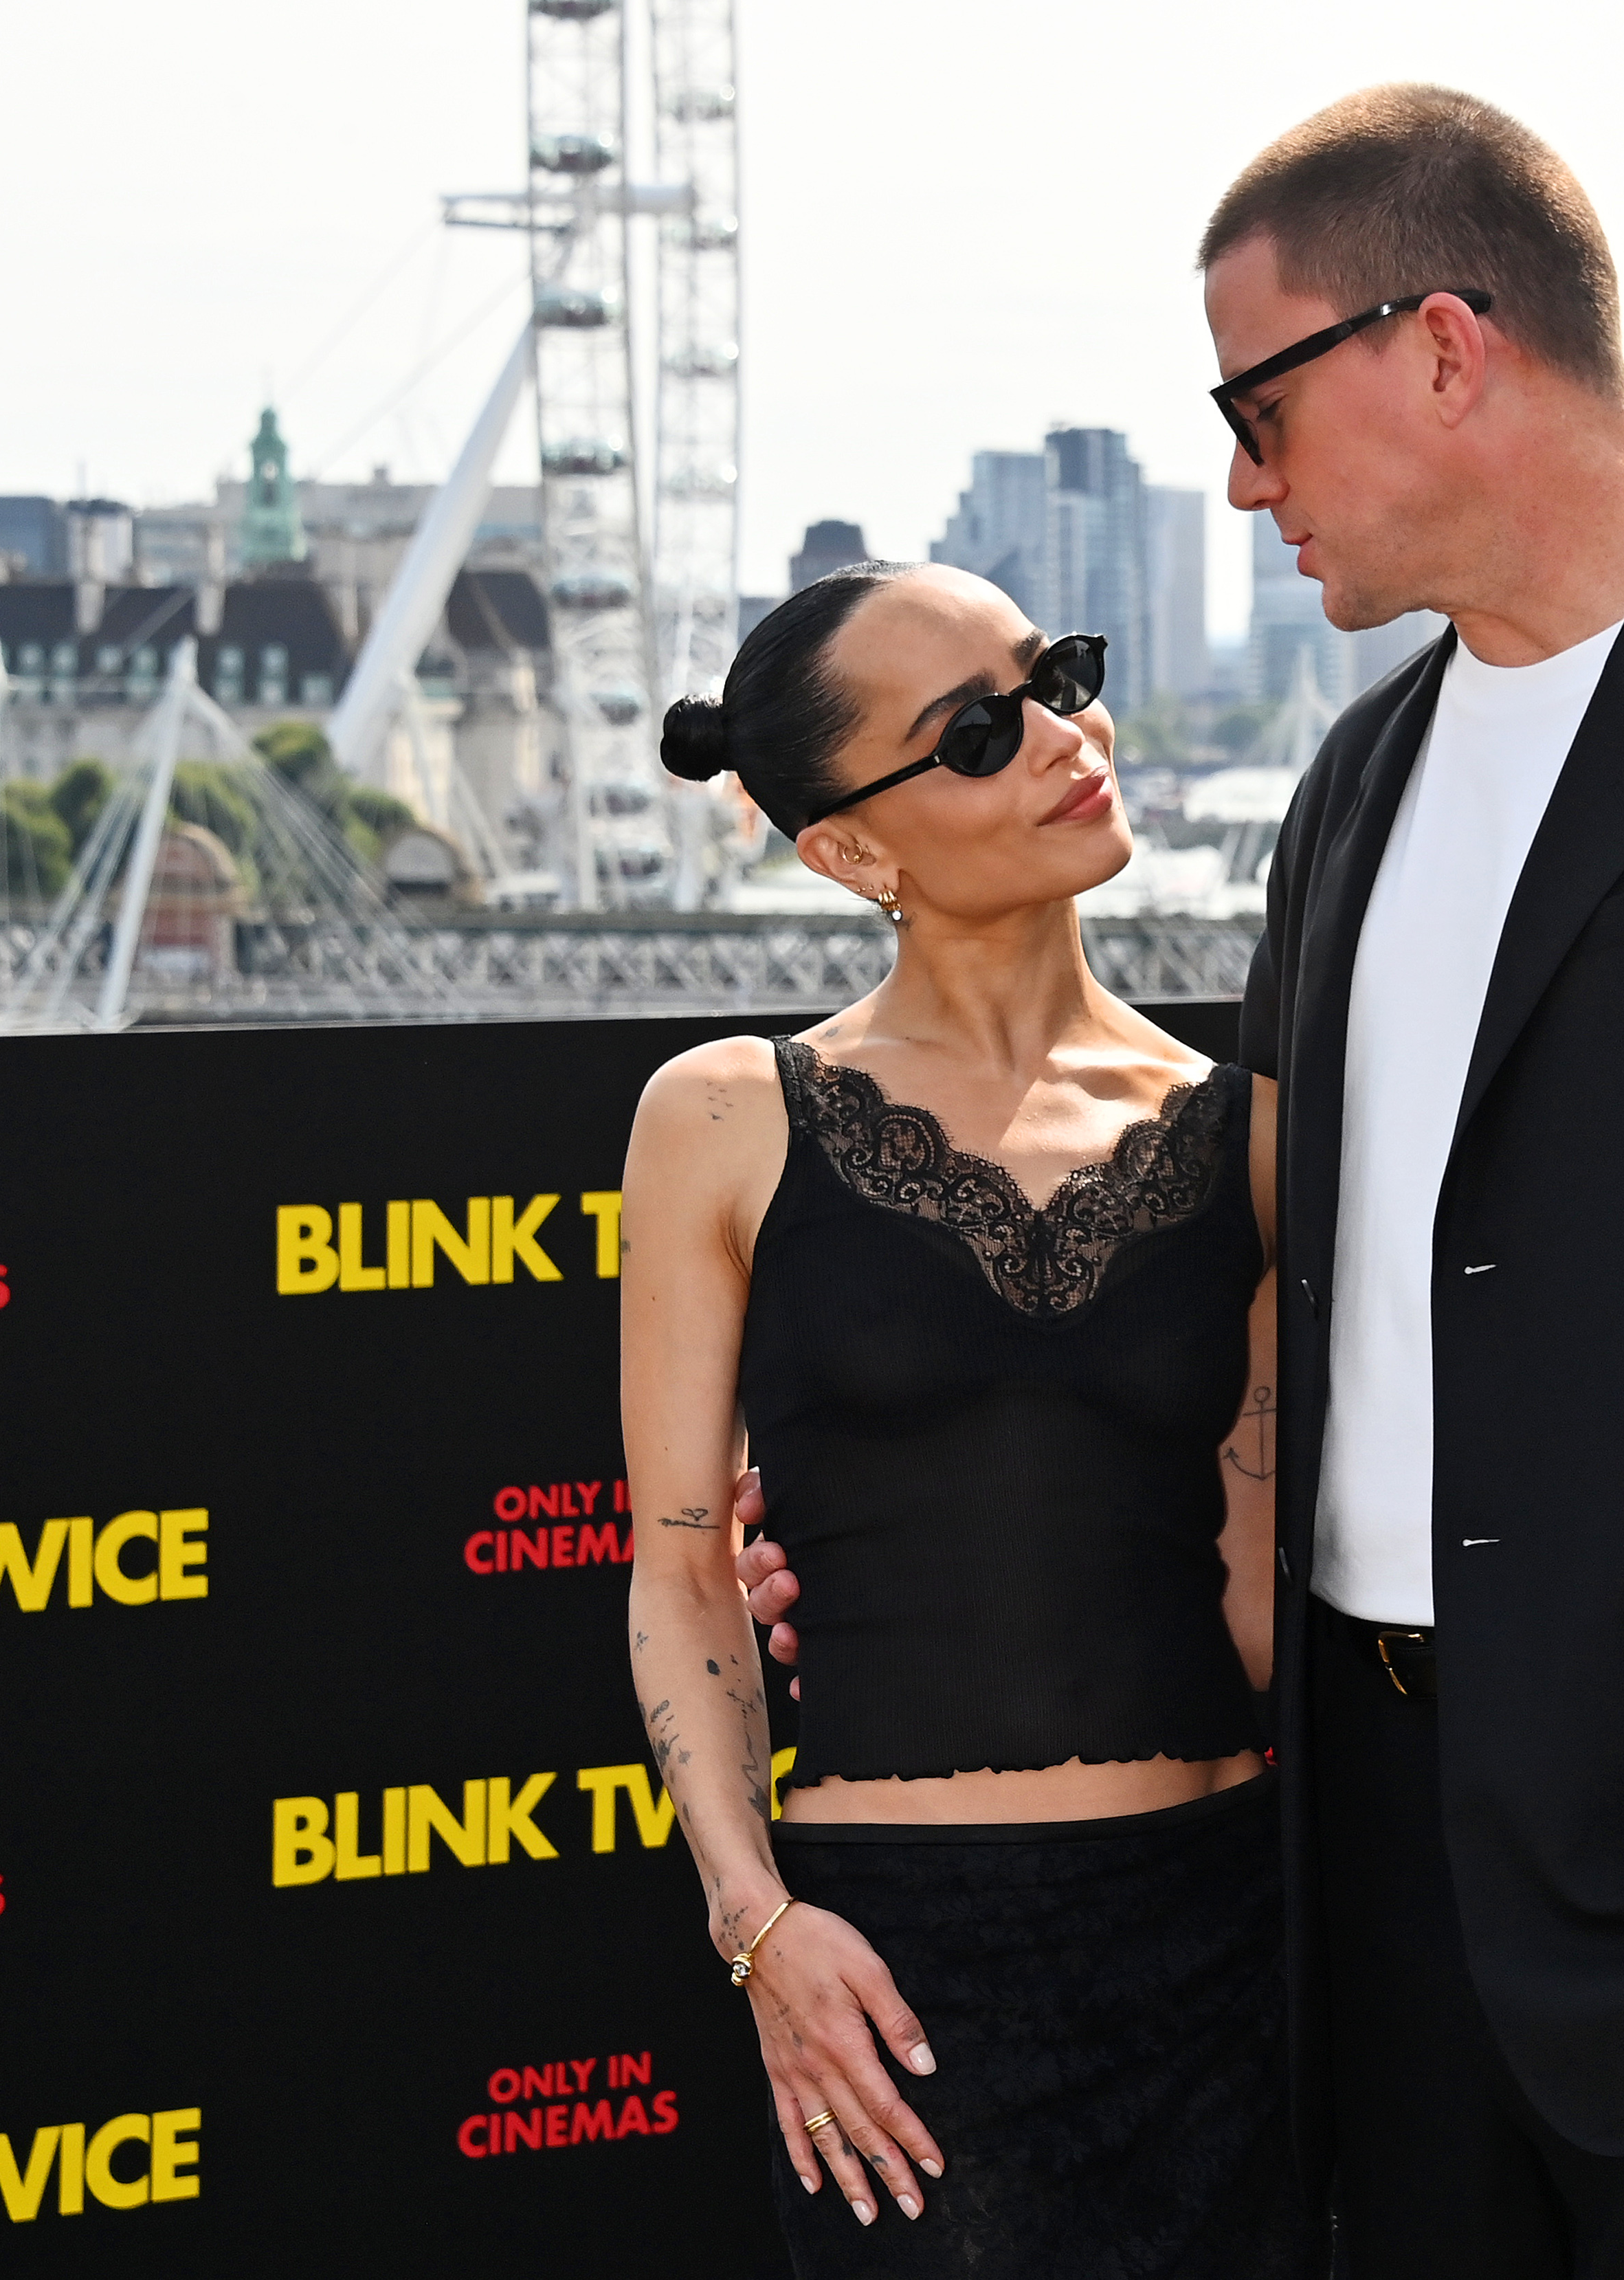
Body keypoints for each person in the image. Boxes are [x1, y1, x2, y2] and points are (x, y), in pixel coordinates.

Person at [751, 82, 1624, 2278]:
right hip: (1371, 1871)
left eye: (1260, 404)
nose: (1240, 477)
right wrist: (880, 1492)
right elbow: (1260, 1276)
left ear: (1446, 346)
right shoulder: (1360, 776)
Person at [619, 559, 1310, 2278]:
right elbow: (685, 1567)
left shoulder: (1258, 1135)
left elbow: (1254, 1578)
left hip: (1225, 1948)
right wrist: (757, 1921)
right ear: (852, 847)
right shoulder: (722, 1116)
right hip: (897, 1973)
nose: (1069, 739)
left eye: (1058, 677)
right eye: (984, 732)